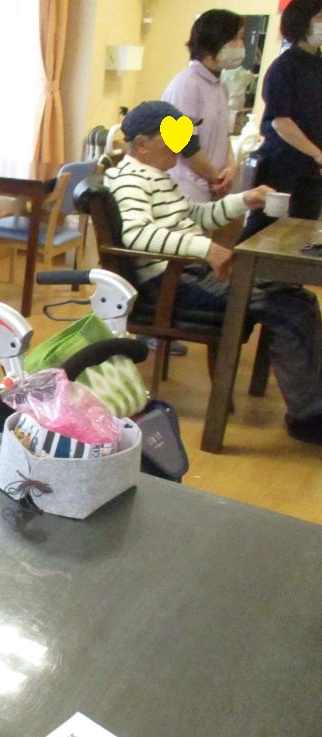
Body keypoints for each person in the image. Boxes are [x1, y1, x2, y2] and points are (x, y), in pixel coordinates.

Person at [105, 101, 322, 446]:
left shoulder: (156, 177)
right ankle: (307, 417)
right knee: (289, 307)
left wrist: (245, 200)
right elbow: (136, 235)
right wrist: (205, 249)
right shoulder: (131, 180)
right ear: (142, 144)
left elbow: (197, 216)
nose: (181, 144)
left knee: (297, 297)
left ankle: (310, 404)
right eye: (171, 136)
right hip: (171, 285)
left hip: (187, 276)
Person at [240, 0, 322, 241]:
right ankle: (238, 265)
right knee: (263, 228)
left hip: (311, 170)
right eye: (320, 18)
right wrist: (317, 154)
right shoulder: (284, 67)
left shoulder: (318, 65)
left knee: (302, 232)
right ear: (302, 22)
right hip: (281, 164)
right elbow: (280, 121)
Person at [162, 9, 245, 203]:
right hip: (186, 187)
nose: (241, 45)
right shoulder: (187, 84)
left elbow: (223, 136)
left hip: (211, 186)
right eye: (235, 38)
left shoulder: (219, 86)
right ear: (214, 41)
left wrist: (230, 168)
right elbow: (183, 142)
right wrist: (215, 177)